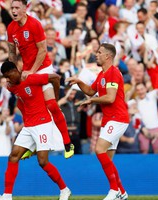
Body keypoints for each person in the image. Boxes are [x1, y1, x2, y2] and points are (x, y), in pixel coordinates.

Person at [6, 0, 73, 158]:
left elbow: (42, 51)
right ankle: (35, 143)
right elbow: (11, 53)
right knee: (23, 106)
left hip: (42, 68)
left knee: (51, 105)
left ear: (25, 8)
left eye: (17, 8)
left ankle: (67, 143)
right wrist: (14, 72)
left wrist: (32, 72)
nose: (14, 11)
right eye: (12, 8)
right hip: (26, 71)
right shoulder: (11, 28)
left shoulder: (34, 24)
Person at [0, 61, 71, 200]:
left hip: (43, 123)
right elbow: (21, 102)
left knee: (43, 161)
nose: (7, 80)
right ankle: (7, 195)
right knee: (13, 156)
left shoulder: (31, 79)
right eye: (5, 77)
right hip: (29, 126)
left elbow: (55, 77)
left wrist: (55, 98)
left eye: (8, 76)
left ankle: (64, 189)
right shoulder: (11, 87)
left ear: (15, 70)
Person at [66, 43, 129, 200]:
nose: (96, 54)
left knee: (99, 149)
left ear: (108, 56)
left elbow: (110, 97)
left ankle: (114, 190)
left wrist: (91, 101)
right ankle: (122, 192)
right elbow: (90, 91)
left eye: (99, 52)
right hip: (109, 120)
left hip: (117, 119)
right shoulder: (102, 74)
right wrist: (79, 81)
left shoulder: (113, 73)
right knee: (107, 159)